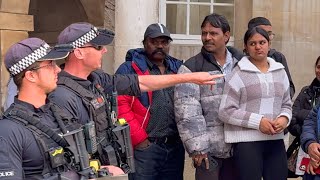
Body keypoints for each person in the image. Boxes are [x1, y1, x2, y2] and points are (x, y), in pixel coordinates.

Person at [47, 22, 222, 170]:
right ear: (79, 52)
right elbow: (69, 153)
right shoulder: (62, 95)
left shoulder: (97, 78)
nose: (105, 51)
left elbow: (142, 83)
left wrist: (191, 77)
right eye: (98, 46)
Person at [0, 38, 82, 179]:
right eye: (50, 64)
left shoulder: (58, 113)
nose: (57, 69)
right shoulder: (8, 131)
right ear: (31, 75)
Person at [174, 13, 243, 180]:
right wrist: (198, 148)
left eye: (213, 33)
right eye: (204, 33)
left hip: (241, 147)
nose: (207, 37)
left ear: (226, 36)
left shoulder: (242, 63)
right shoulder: (191, 67)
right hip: (209, 153)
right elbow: (187, 112)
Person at [218, 27, 292, 180]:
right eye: (252, 43)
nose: (258, 47)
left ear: (269, 45)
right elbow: (225, 111)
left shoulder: (280, 71)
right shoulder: (237, 74)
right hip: (247, 143)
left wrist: (284, 119)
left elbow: (286, 103)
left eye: (262, 42)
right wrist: (258, 122)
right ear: (245, 47)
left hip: (275, 141)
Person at [115, 23, 185, 180]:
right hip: (146, 148)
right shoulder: (129, 69)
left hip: (174, 146)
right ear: (145, 43)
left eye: (164, 42)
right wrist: (140, 140)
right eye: (154, 42)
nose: (160, 46)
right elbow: (120, 106)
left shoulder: (177, 68)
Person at [287, 56, 320, 177]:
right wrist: (307, 138)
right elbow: (292, 118)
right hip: (306, 148)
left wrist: (303, 115)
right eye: (318, 67)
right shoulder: (306, 91)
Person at [248, 16, 295, 98]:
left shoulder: (278, 57)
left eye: (269, 34)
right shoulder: (240, 60)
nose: (267, 37)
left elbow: (290, 87)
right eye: (263, 33)